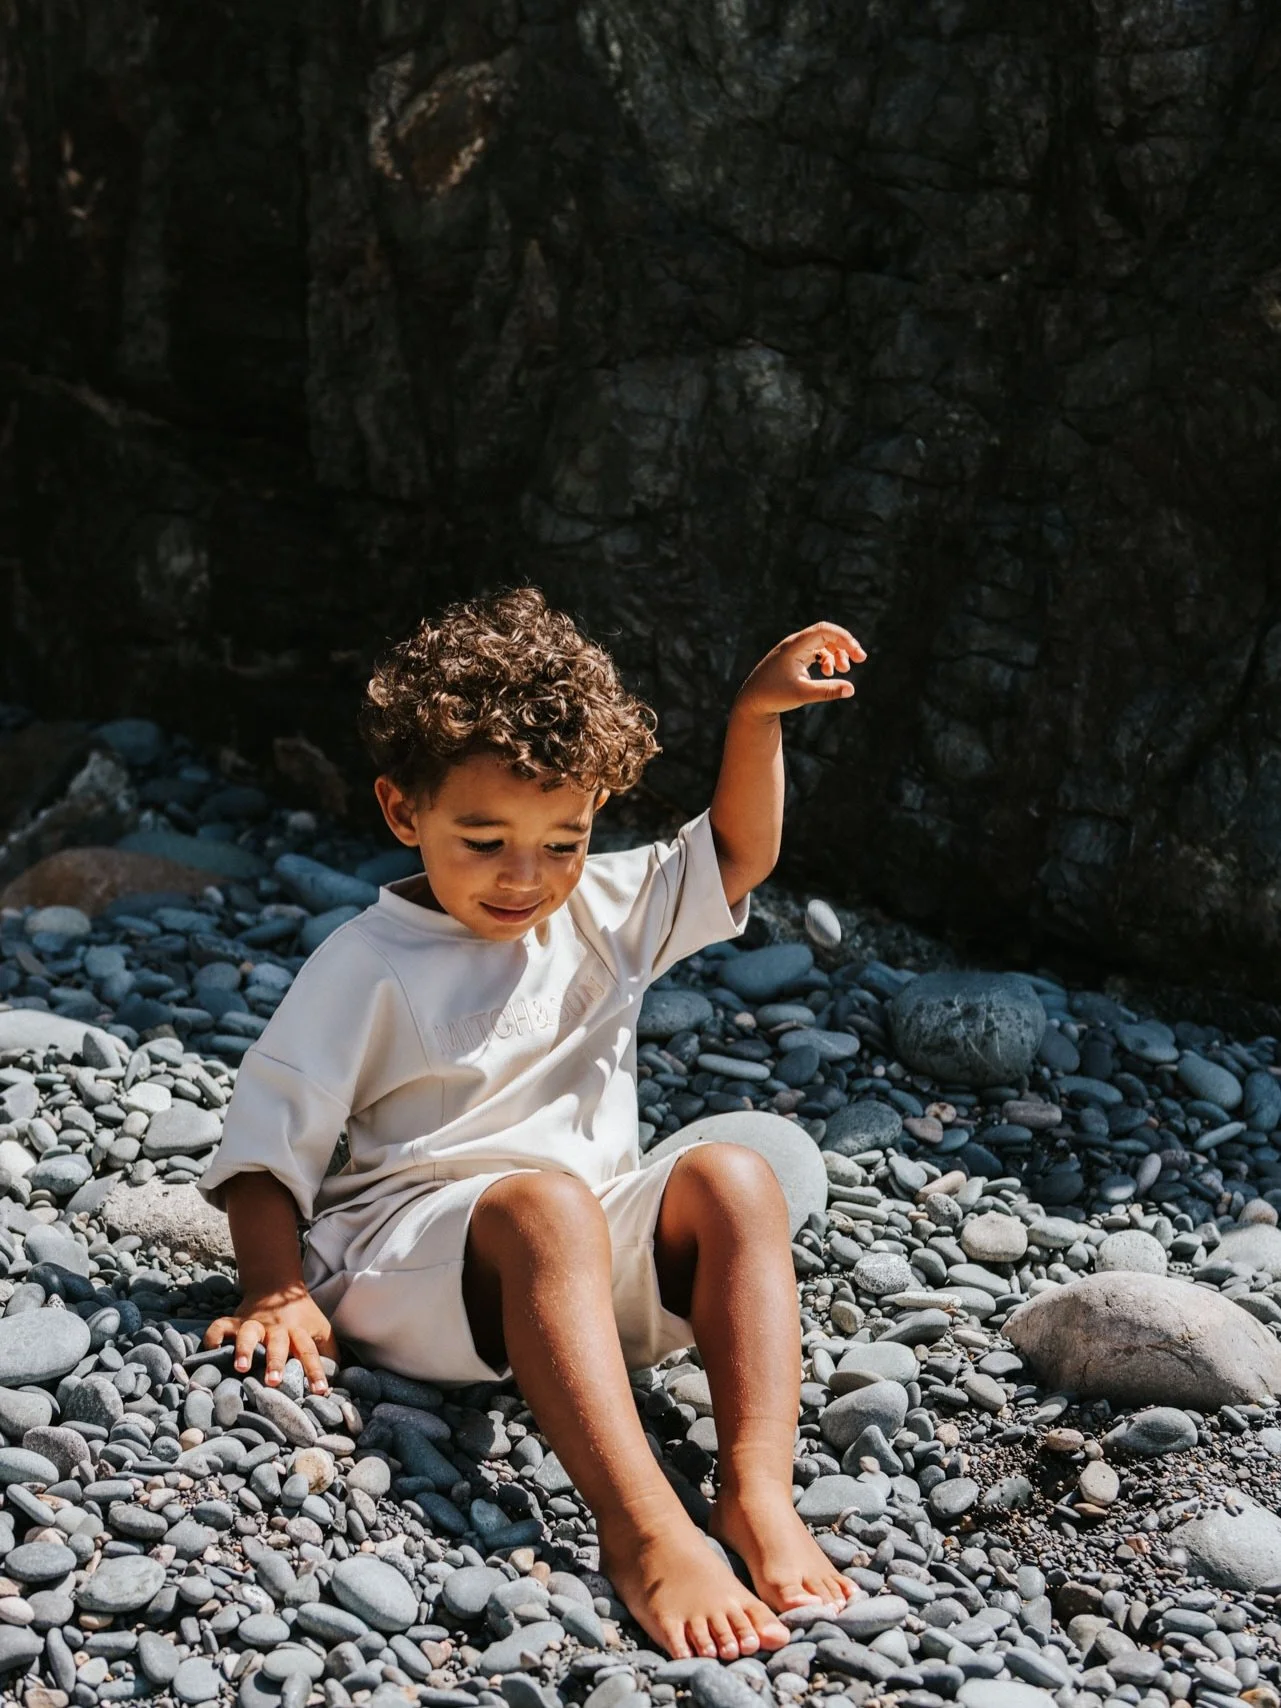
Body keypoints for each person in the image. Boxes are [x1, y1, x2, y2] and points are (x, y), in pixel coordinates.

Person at [198, 585, 868, 1662]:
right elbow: (266, 1142)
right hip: (419, 1266)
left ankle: (756, 1490)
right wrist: (273, 1288)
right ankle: (645, 1530)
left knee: (737, 1174)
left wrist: (754, 718)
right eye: (483, 840)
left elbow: (734, 855)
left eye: (564, 841)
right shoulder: (367, 963)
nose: (526, 877)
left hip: (579, 1279)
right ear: (402, 812)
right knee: (547, 1211)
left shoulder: (598, 911)